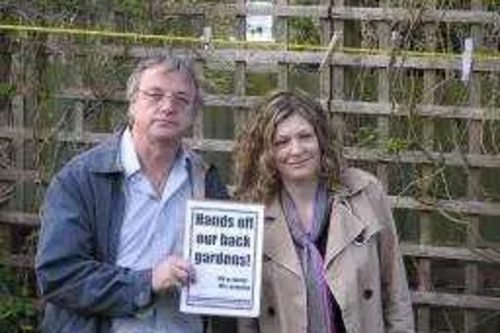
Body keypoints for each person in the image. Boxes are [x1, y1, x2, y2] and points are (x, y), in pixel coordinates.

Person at [35, 55, 236, 333]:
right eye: (155, 95)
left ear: (193, 113)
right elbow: (59, 275)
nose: (168, 107)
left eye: (181, 99)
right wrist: (147, 282)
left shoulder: (206, 182)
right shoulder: (80, 179)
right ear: (132, 103)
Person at [232, 91, 415, 333]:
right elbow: (246, 318)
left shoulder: (365, 193)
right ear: (267, 153)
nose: (296, 150)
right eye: (282, 142)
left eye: (305, 136)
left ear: (321, 139)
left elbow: (395, 289)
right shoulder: (252, 212)